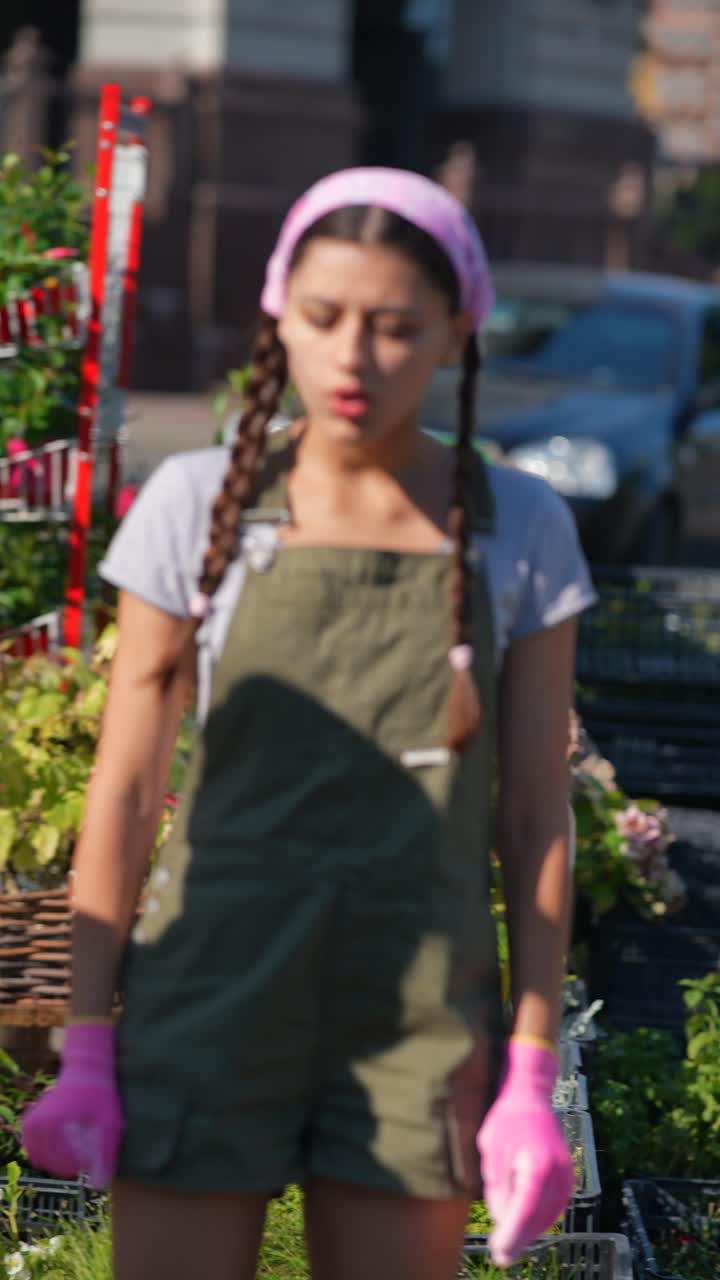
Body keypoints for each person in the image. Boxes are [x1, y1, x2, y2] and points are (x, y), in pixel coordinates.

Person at [22, 167, 596, 1280]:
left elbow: (533, 816)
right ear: (280, 311)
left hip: (418, 1011)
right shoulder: (200, 504)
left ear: (454, 333)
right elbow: (128, 788)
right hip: (210, 988)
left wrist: (528, 1068)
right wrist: (86, 1038)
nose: (353, 357)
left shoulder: (521, 527)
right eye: (325, 318)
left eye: (394, 327)